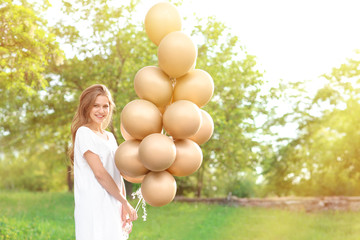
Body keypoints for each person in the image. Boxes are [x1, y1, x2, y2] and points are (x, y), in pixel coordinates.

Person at [69, 84, 137, 240]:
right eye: (96, 106)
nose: (101, 111)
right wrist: (125, 202)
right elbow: (100, 174)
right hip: (94, 205)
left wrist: (122, 206)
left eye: (105, 106)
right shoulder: (84, 133)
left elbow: (117, 173)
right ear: (86, 107)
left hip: (114, 202)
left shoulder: (110, 137)